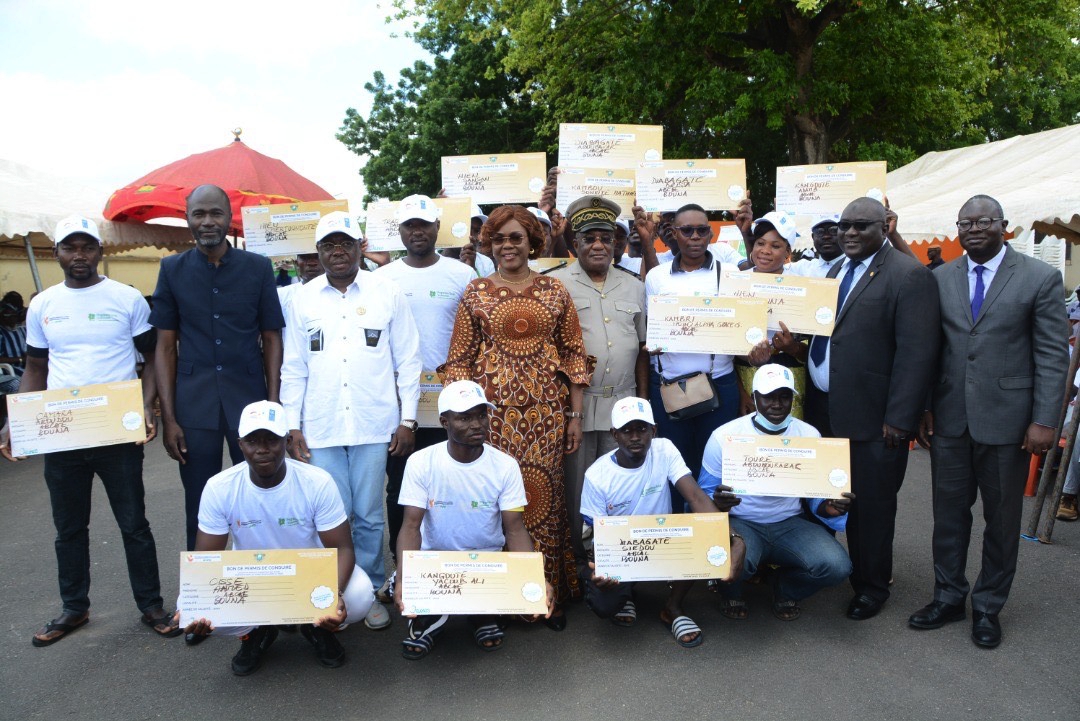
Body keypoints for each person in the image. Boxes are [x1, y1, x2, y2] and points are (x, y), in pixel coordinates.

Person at [2, 215, 179, 646]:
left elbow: (152, 355)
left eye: (86, 247)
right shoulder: (44, 304)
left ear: (99, 252)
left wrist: (146, 404)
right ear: (58, 253)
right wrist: (14, 420)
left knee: (133, 522)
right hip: (62, 432)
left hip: (115, 431)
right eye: (69, 247)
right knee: (68, 527)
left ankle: (151, 605)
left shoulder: (127, 298)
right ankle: (74, 608)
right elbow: (37, 368)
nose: (78, 255)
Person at [910, 195, 1068, 648]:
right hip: (950, 420)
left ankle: (987, 607)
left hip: (1011, 424)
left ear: (1005, 226)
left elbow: (1053, 357)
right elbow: (929, 349)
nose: (973, 228)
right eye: (965, 222)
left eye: (983, 221)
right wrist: (924, 406)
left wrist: (1044, 420)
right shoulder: (940, 278)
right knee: (949, 517)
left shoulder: (1040, 277)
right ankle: (948, 597)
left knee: (1001, 521)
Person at [441, 204, 593, 628]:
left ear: (532, 242)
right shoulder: (476, 292)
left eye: (516, 238)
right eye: (499, 239)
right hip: (491, 420)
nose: (507, 246)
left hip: (545, 415)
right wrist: (461, 419)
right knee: (494, 505)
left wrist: (574, 416)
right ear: (489, 244)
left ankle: (545, 594)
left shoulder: (554, 291)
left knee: (541, 501)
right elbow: (459, 361)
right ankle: (496, 597)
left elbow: (573, 356)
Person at [281, 210, 422, 631]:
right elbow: (294, 366)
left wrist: (408, 420)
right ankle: (334, 592)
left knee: (368, 513)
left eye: (345, 243)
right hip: (320, 426)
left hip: (374, 423)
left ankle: (371, 589)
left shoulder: (386, 292)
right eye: (328, 245)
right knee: (331, 513)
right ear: (318, 252)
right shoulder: (301, 299)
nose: (337, 252)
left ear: (359, 247)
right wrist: (292, 423)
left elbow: (408, 360)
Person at [804, 197, 940, 620]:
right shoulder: (835, 270)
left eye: (861, 226)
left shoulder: (908, 274)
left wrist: (899, 419)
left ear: (885, 226)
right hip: (826, 410)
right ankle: (840, 570)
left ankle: (871, 587)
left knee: (872, 508)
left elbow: (917, 355)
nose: (848, 233)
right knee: (834, 496)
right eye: (844, 226)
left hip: (876, 420)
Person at [179, 401, 374, 675]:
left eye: (271, 439)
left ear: (286, 440)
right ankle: (255, 632)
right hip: (251, 576)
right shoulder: (219, 487)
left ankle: (314, 625)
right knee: (191, 605)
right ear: (240, 444)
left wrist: (334, 595)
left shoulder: (316, 481)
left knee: (359, 596)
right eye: (252, 440)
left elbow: (342, 548)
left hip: (309, 574)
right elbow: (205, 560)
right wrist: (196, 605)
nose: (262, 448)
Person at [151, 184, 285, 560]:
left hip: (250, 401)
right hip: (193, 407)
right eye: (199, 214)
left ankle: (267, 581)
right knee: (199, 500)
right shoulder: (172, 269)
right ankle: (201, 597)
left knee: (262, 496)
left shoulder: (257, 268)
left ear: (229, 218)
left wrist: (273, 404)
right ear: (187, 218)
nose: (207, 222)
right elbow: (164, 346)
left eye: (215, 213)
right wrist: (170, 418)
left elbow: (271, 337)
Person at [394, 381, 553, 658]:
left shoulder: (505, 466)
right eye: (464, 417)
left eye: (481, 415)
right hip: (435, 562)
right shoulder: (421, 462)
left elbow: (514, 529)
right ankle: (431, 617)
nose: (476, 424)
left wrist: (533, 577)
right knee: (418, 601)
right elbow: (410, 526)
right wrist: (405, 579)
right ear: (444, 421)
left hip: (486, 563)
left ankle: (480, 614)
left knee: (513, 600)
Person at [579, 396, 745, 647]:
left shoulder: (664, 449)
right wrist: (600, 567)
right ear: (614, 434)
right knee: (604, 604)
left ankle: (673, 607)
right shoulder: (597, 475)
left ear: (653, 431)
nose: (635, 437)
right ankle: (626, 595)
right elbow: (593, 536)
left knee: (701, 529)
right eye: (626, 430)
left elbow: (697, 497)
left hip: (664, 544)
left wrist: (730, 537)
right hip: (626, 552)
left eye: (641, 429)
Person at [375, 195, 476, 594]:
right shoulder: (382, 280)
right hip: (401, 404)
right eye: (409, 226)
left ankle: (449, 565)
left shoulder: (461, 274)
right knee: (400, 486)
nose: (417, 232)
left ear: (437, 228)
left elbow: (474, 338)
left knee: (450, 484)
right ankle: (403, 568)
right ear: (399, 232)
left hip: (451, 402)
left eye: (424, 225)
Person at [699, 364, 854, 621]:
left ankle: (785, 588)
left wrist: (830, 506)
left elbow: (816, 494)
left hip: (789, 523)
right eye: (769, 397)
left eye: (784, 396)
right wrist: (719, 503)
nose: (777, 404)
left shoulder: (809, 435)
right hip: (742, 523)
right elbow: (704, 492)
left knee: (838, 567)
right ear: (755, 395)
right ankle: (731, 591)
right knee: (724, 554)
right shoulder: (724, 436)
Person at [550, 196, 649, 561]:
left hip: (620, 405)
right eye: (589, 237)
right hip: (574, 405)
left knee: (620, 485)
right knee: (574, 489)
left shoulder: (634, 286)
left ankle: (617, 560)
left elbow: (641, 349)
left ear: (615, 244)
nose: (598, 245)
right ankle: (578, 563)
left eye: (606, 238)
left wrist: (642, 402)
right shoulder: (555, 284)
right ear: (574, 243)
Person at [641, 203, 743, 488]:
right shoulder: (656, 277)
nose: (695, 237)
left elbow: (740, 323)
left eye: (701, 230)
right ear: (674, 234)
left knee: (715, 467)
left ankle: (714, 528)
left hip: (719, 383)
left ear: (711, 235)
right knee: (675, 467)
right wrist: (655, 342)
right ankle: (679, 528)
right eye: (687, 230)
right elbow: (651, 326)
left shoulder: (730, 273)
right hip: (670, 386)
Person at [735, 211, 808, 418]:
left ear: (788, 251)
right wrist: (742, 391)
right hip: (748, 374)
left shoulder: (802, 287)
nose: (765, 251)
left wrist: (792, 347)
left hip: (790, 376)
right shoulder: (736, 283)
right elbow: (725, 351)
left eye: (775, 246)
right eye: (760, 243)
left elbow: (811, 352)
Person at [277, 251, 323, 318]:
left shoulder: (341, 293)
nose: (312, 263)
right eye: (305, 257)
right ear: (296, 263)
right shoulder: (281, 295)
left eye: (317, 257)